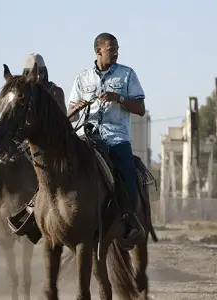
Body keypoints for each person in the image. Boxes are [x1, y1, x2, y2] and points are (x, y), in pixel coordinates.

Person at [67, 32, 146, 244]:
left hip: (116, 139)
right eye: (112, 50)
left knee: (128, 173)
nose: (116, 54)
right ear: (98, 51)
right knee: (60, 167)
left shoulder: (127, 75)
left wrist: (119, 98)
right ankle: (40, 211)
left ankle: (129, 220)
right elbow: (69, 114)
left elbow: (140, 109)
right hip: (86, 137)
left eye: (117, 49)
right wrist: (75, 109)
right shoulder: (82, 79)